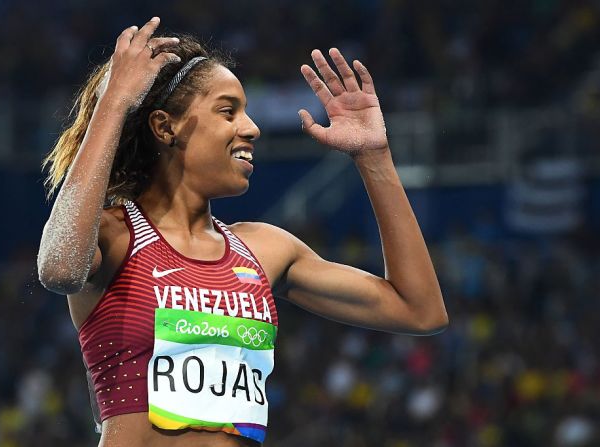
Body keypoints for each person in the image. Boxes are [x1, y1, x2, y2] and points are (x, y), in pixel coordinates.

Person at [37, 17, 448, 447]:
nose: (251, 128)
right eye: (227, 111)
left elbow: (420, 310)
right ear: (165, 127)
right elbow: (60, 268)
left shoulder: (263, 249)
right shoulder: (114, 235)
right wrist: (115, 104)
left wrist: (374, 156)